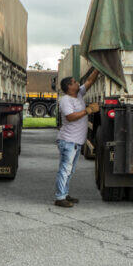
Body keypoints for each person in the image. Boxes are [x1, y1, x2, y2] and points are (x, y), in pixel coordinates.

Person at [54, 70, 101, 207]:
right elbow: (70, 117)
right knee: (65, 169)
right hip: (68, 141)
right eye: (74, 82)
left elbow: (90, 81)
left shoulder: (78, 94)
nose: (77, 82)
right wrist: (88, 110)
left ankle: (65, 193)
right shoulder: (65, 100)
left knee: (70, 170)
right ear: (69, 87)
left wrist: (97, 69)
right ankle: (60, 197)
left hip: (75, 141)